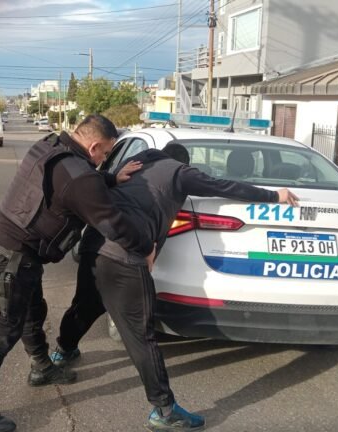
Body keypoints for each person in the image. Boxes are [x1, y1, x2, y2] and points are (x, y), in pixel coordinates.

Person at [51, 143, 299, 431]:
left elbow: (105, 181)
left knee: (86, 303)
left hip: (95, 244)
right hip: (127, 254)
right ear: (184, 163)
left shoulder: (138, 160)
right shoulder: (180, 172)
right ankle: (164, 410)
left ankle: (62, 352)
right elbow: (223, 186)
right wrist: (273, 194)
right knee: (141, 335)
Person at [0, 114, 154, 432]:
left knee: (33, 311)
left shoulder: (49, 146)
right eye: (104, 153)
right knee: (2, 332)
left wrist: (110, 178)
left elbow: (71, 182)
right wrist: (146, 245)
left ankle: (41, 367)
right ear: (93, 147)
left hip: (15, 250)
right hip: (11, 256)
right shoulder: (82, 176)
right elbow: (112, 223)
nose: (104, 159)